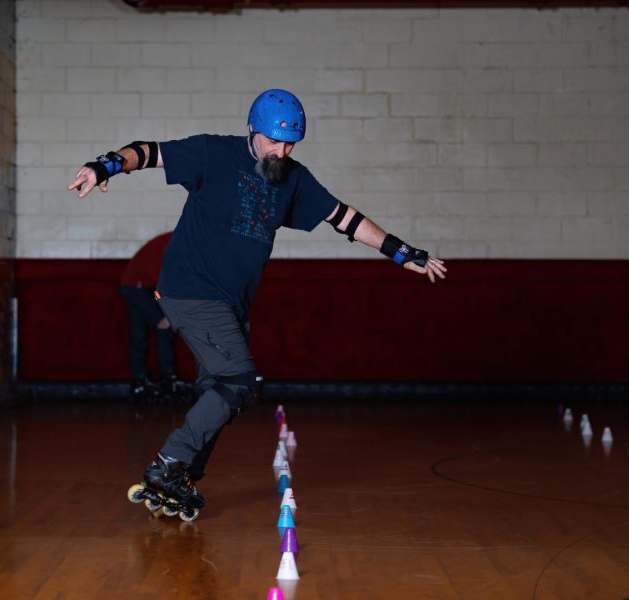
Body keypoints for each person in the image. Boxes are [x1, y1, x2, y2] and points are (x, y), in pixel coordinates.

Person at [68, 89, 447, 517]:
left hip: (229, 303)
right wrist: (106, 166)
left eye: (289, 143)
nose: (280, 151)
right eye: (273, 141)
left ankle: (183, 474)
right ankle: (169, 463)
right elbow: (148, 152)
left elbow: (343, 217)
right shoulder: (213, 152)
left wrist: (400, 252)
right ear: (253, 129)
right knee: (239, 382)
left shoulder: (292, 177)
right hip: (191, 289)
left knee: (219, 389)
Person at [119, 231, 186, 401]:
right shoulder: (177, 243)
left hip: (142, 285)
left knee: (144, 332)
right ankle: (153, 380)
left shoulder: (180, 240)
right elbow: (166, 279)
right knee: (162, 325)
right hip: (136, 287)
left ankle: (155, 379)